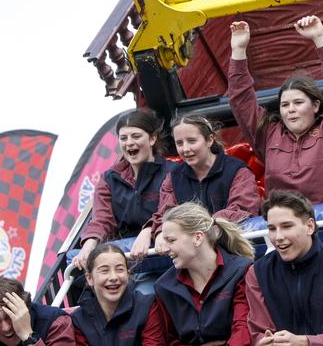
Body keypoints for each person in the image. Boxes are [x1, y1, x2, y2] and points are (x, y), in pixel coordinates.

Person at [228, 15, 323, 204]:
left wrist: (320, 37)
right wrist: (238, 50)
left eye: (298, 103)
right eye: (285, 105)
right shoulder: (268, 135)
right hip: (285, 229)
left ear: (315, 106)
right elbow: (241, 101)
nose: (291, 110)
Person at [245, 190, 323, 345]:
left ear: (309, 226)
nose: (278, 237)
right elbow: (259, 332)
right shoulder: (257, 272)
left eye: (286, 226)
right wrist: (265, 341)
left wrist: (306, 342)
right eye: (272, 229)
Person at [72, 109, 174, 270]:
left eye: (136, 136)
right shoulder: (110, 178)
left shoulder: (172, 171)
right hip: (126, 250)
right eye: (123, 138)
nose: (129, 143)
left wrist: (148, 231)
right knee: (73, 258)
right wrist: (88, 245)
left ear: (152, 138)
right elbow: (101, 219)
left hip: (160, 243)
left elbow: (169, 209)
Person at [152, 113, 261, 252]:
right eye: (179, 143)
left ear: (209, 140)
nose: (185, 149)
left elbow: (243, 209)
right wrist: (160, 232)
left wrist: (203, 226)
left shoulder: (237, 170)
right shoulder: (173, 178)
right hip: (192, 254)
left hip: (233, 249)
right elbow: (165, 214)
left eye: (192, 141)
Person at [148, 202, 254, 345]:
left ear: (198, 237)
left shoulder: (241, 271)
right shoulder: (164, 286)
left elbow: (243, 329)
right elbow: (171, 340)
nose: (164, 249)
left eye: (171, 240)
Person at [71, 243, 160, 345]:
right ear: (90, 278)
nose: (113, 277)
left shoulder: (148, 306)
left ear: (128, 274)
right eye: (104, 271)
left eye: (119, 269)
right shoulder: (78, 319)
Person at [0, 277, 74, 346]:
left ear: (25, 307)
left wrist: (28, 336)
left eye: (10, 316)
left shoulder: (56, 322)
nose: (6, 328)